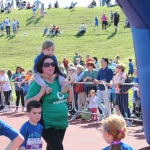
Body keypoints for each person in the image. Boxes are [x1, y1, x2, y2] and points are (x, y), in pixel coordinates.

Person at [26, 55, 73, 150]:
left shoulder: (60, 80)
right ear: (41, 67)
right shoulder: (38, 83)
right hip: (47, 123)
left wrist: (70, 90)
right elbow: (28, 102)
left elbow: (69, 100)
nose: (50, 66)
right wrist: (41, 93)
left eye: (52, 64)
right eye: (46, 64)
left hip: (62, 122)